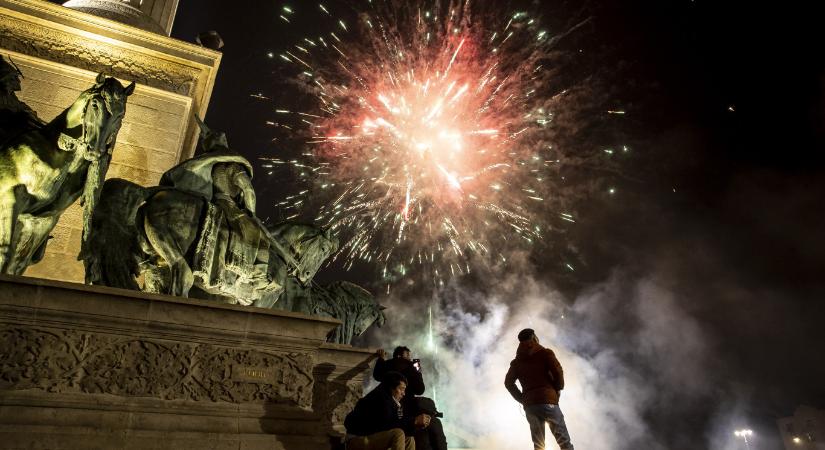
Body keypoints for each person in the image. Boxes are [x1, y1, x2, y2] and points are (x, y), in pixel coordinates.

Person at [504, 328, 574, 450]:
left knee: (539, 445)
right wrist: (557, 389)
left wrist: (523, 399)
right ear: (534, 337)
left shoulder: (516, 362)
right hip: (548, 400)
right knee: (564, 442)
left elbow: (508, 383)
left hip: (530, 406)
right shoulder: (545, 353)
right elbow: (558, 371)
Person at [373, 347, 447, 450]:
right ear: (399, 355)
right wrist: (418, 371)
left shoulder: (387, 365)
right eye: (407, 355)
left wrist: (381, 359)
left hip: (395, 411)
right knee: (426, 431)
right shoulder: (410, 367)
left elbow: (377, 375)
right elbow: (420, 389)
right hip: (408, 410)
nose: (409, 357)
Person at [345, 371, 431, 450]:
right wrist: (414, 421)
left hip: (370, 437)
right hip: (356, 440)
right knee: (398, 434)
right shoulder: (378, 399)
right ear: (391, 388)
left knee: (409, 438)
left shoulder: (392, 401)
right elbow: (388, 424)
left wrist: (416, 425)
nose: (403, 393)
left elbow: (398, 423)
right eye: (401, 389)